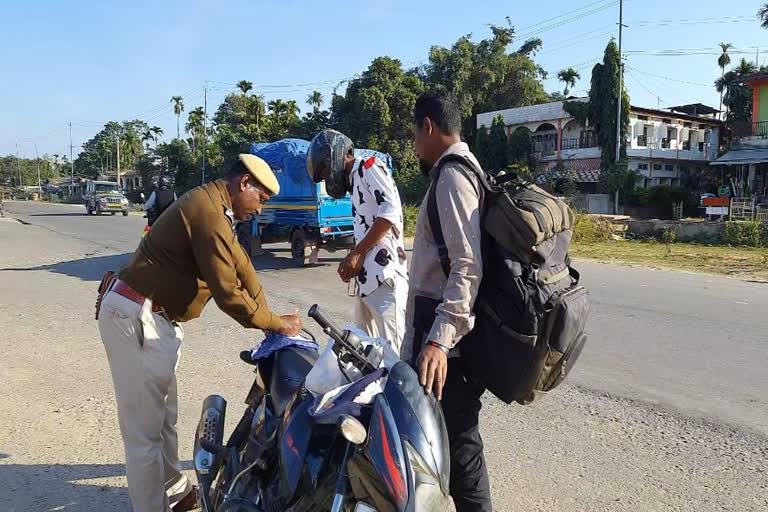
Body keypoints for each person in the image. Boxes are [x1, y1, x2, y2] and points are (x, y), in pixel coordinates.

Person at [96, 154, 301, 512]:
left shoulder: (218, 208)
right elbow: (227, 292)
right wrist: (273, 323)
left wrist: (272, 319)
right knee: (144, 437)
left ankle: (175, 491)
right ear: (244, 184)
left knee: (164, 421)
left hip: (154, 320)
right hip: (136, 316)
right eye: (261, 199)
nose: (260, 208)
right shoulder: (208, 212)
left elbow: (243, 267)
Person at [402, 91, 491, 511]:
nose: (414, 144)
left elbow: (467, 266)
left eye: (415, 134)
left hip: (446, 355)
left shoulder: (452, 178)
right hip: (444, 348)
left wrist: (438, 341)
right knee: (442, 454)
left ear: (429, 128)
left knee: (460, 455)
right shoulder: (461, 171)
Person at [307, 129, 408, 353]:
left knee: (395, 355)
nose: (325, 178)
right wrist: (353, 254)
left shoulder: (369, 167)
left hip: (385, 278)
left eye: (323, 171)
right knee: (362, 352)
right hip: (368, 282)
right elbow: (368, 227)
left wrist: (358, 253)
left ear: (332, 156)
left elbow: (389, 213)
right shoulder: (355, 180)